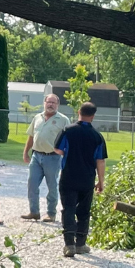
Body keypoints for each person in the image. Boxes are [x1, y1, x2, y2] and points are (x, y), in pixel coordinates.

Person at [53, 102, 108, 258]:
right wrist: (101, 181)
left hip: (69, 176)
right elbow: (100, 160)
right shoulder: (97, 136)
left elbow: (57, 149)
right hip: (87, 178)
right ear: (93, 116)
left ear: (79, 112)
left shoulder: (67, 131)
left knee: (68, 209)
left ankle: (69, 244)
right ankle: (81, 243)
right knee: (84, 212)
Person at [21, 94, 69, 222]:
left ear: (57, 105)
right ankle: (34, 211)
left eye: (54, 103)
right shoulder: (37, 117)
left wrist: (66, 156)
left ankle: (51, 213)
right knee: (32, 184)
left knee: (52, 186)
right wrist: (26, 152)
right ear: (44, 103)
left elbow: (68, 140)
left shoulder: (63, 120)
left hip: (53, 158)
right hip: (36, 156)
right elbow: (31, 136)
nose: (51, 105)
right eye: (49, 102)